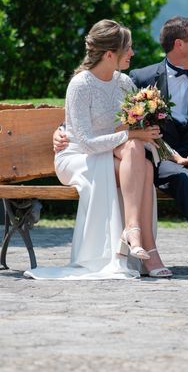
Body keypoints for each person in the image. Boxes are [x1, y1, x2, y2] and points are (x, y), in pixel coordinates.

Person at [55, 17, 188, 280]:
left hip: (176, 154)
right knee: (163, 170)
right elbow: (92, 125)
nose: (133, 53)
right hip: (123, 156)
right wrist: (61, 129)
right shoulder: (137, 78)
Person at [28, 19, 172, 280]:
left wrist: (167, 151)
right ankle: (146, 247)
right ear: (109, 54)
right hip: (76, 156)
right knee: (140, 162)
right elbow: (85, 143)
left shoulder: (125, 83)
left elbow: (132, 132)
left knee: (143, 160)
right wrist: (131, 135)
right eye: (127, 48)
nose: (132, 53)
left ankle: (134, 232)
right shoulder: (81, 85)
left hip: (113, 152)